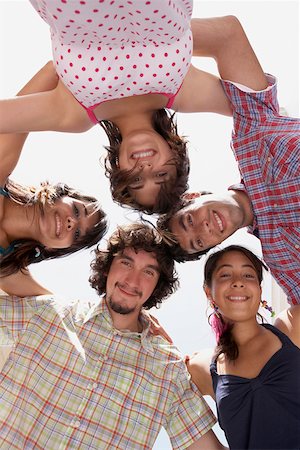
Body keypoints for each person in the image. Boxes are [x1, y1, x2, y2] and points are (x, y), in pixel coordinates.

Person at [0, 223, 226, 449]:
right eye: (126, 263)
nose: (133, 280)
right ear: (107, 267)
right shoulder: (48, 313)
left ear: (157, 285)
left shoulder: (168, 369)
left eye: (148, 272)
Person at [0, 1, 233, 213]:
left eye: (136, 180)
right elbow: (257, 110)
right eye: (161, 175)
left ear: (118, 167)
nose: (145, 167)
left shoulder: (77, 114)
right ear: (177, 154)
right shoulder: (186, 93)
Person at [158, 16, 300, 305]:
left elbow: (226, 35)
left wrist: (120, 39)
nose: (204, 229)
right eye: (199, 242)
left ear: (192, 196)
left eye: (189, 220)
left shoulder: (249, 134)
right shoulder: (281, 257)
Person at [0, 62, 107, 296]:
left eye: (77, 234)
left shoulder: (7, 269)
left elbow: (59, 316)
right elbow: (54, 68)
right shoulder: (2, 163)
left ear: (57, 249)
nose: (72, 223)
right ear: (59, 194)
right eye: (77, 211)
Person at [186, 245, 300, 450]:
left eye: (248, 275)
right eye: (225, 274)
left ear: (259, 289)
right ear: (208, 292)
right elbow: (160, 373)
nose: (238, 282)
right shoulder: (203, 367)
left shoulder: (294, 326)